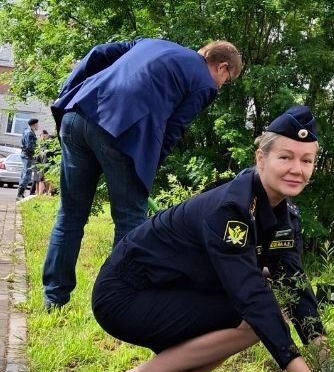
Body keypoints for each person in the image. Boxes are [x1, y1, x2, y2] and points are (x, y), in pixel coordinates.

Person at [92, 105, 334, 372]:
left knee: (267, 308)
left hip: (172, 289)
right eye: (285, 158)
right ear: (261, 159)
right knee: (255, 314)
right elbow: (250, 294)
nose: (297, 169)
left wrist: (325, 358)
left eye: (307, 161)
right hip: (126, 297)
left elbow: (294, 284)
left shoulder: (285, 214)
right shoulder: (230, 210)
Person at [41, 37, 242, 310]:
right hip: (124, 134)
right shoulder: (205, 83)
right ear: (223, 67)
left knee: (70, 214)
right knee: (130, 221)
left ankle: (54, 299)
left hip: (77, 113)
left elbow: (99, 52)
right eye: (226, 81)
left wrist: (69, 93)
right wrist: (148, 166)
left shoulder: (153, 43)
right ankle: (117, 303)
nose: (221, 86)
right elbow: (174, 129)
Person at [15, 117, 39, 199]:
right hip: (28, 156)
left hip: (25, 155)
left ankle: (20, 193)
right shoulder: (30, 133)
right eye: (37, 124)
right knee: (27, 175)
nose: (38, 126)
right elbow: (30, 147)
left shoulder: (26, 131)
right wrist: (37, 152)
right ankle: (20, 194)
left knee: (24, 174)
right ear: (34, 125)